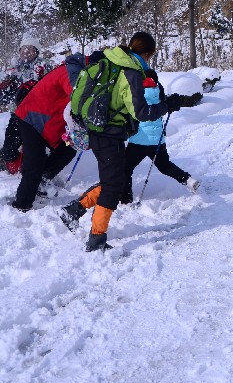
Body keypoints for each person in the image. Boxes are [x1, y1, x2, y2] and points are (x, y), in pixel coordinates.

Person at [59, 31, 198, 252]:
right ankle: (95, 237)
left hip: (98, 129)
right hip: (108, 133)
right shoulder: (131, 71)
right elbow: (142, 112)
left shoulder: (113, 59)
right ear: (147, 53)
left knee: (114, 179)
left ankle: (75, 210)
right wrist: (167, 105)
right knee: (115, 184)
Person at [9, 53, 86, 211]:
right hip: (31, 119)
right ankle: (22, 204)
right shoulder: (69, 72)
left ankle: (43, 179)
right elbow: (77, 98)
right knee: (34, 163)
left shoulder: (78, 73)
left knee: (70, 147)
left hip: (51, 125)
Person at [121, 68, 200, 204]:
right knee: (164, 165)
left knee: (125, 169)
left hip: (139, 140)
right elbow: (164, 107)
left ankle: (126, 199)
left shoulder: (136, 92)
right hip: (157, 139)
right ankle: (187, 180)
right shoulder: (158, 90)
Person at [0, 34, 53, 173]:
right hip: (17, 113)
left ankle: (36, 169)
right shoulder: (15, 67)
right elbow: (4, 89)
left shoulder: (43, 65)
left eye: (30, 49)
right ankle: (13, 167)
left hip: (37, 115)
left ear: (36, 52)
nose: (26, 52)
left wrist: (42, 77)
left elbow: (53, 85)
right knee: (9, 149)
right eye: (23, 49)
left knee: (35, 147)